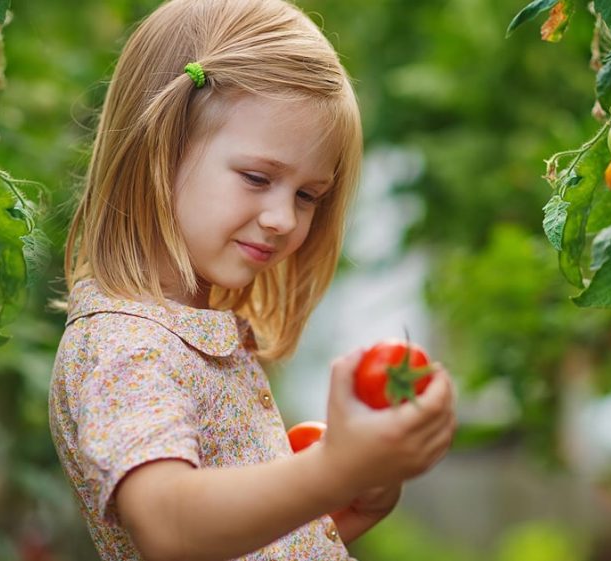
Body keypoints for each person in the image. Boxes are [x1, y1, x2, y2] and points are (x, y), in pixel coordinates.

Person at [49, 0, 457, 559]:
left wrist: (339, 510)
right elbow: (169, 527)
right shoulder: (127, 346)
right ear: (159, 149)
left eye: (308, 195)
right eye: (257, 177)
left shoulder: (181, 334)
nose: (284, 219)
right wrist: (332, 470)